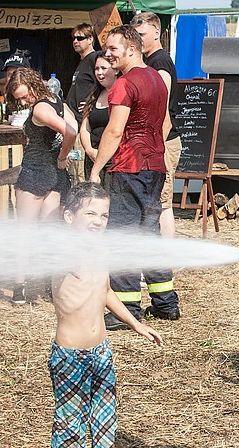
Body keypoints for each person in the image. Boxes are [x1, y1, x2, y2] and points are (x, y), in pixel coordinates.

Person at [47, 181, 162, 448]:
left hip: (101, 352)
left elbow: (105, 290)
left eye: (104, 214)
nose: (98, 220)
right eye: (90, 213)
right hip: (70, 356)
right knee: (69, 424)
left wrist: (135, 323)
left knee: (104, 420)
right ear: (69, 217)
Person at [89, 25, 180, 325]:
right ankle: (166, 303)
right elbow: (164, 124)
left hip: (127, 167)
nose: (107, 54)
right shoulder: (157, 79)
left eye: (113, 49)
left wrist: (96, 168)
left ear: (131, 48)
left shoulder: (124, 84)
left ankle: (126, 309)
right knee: (148, 235)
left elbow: (114, 131)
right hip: (155, 166)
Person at [6, 67, 78, 305]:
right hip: (55, 175)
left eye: (25, 96)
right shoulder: (56, 101)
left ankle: (19, 287)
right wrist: (62, 157)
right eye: (19, 99)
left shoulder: (39, 108)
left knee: (24, 232)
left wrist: (62, 155)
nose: (24, 101)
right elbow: (73, 123)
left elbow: (70, 132)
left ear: (33, 85)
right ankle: (51, 285)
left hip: (36, 172)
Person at [135, 12, 182, 239]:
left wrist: (156, 147)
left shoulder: (160, 62)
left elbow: (162, 110)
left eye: (142, 34)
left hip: (163, 141)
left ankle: (165, 261)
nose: (138, 39)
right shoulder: (150, 61)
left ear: (157, 31)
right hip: (157, 142)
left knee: (163, 204)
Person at [79, 54, 114, 185]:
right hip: (92, 157)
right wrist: (89, 149)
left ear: (115, 69)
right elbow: (85, 128)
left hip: (113, 160)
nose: (99, 73)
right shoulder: (95, 94)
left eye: (104, 68)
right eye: (96, 68)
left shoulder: (122, 93)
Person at [65, 23, 101, 115]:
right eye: (74, 38)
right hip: (74, 117)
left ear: (90, 39)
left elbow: (106, 84)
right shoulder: (83, 60)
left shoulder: (95, 58)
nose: (75, 41)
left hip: (84, 118)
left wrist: (94, 103)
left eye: (80, 38)